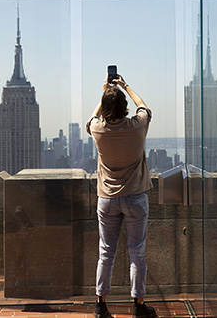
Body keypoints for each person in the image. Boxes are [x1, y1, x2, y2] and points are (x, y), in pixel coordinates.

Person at [86, 74, 157, 318]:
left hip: (107, 198)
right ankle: (138, 305)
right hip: (135, 197)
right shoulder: (136, 126)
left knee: (106, 251)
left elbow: (93, 118)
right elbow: (143, 107)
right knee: (137, 252)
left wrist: (104, 92)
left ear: (105, 108)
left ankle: (100, 304)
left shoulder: (98, 129)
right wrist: (125, 86)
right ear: (125, 107)